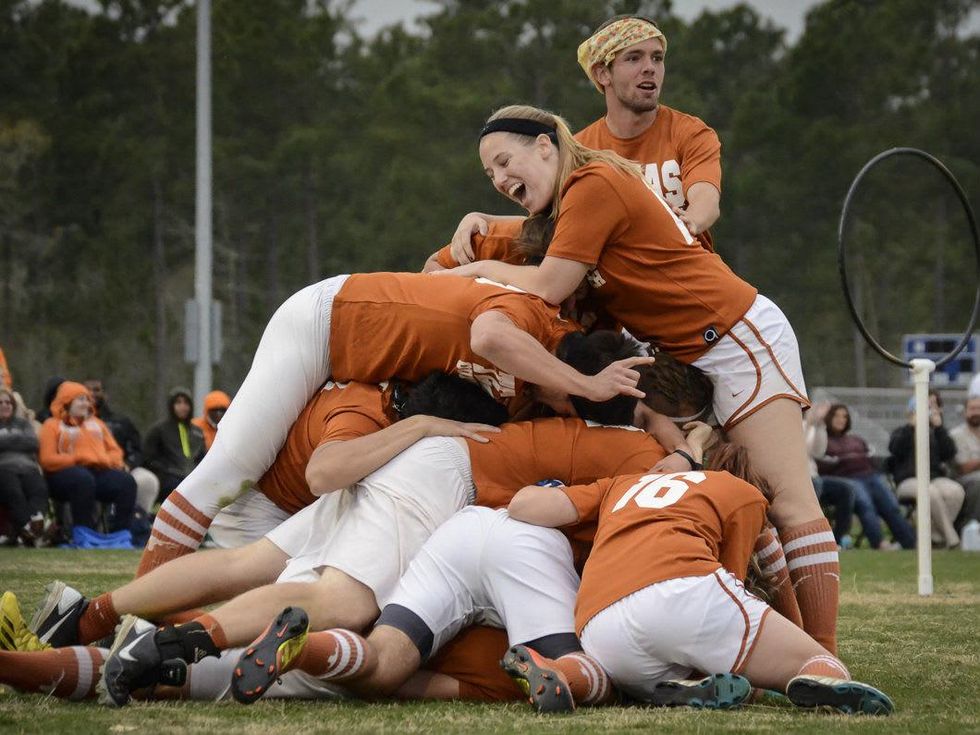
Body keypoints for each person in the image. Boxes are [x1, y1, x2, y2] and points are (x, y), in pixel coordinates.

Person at [435, 105, 838, 653]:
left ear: (547, 146)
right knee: (750, 491)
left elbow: (550, 283)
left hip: (736, 336)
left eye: (506, 162)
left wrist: (474, 270)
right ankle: (801, 650)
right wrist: (479, 219)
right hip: (694, 353)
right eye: (491, 176)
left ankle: (824, 656)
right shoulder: (577, 193)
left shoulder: (593, 181)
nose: (503, 180)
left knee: (790, 500)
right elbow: (540, 238)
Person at [135, 270, 658, 576]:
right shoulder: (533, 317)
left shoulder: (534, 392)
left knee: (283, 589)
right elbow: (487, 337)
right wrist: (586, 386)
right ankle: (136, 616)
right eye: (565, 402)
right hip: (326, 321)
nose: (553, 410)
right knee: (228, 472)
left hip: (365, 385)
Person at [505, 443, 894, 716]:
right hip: (683, 589)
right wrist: (809, 642)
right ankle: (818, 676)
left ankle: (566, 674)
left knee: (612, 684)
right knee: (811, 661)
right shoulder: (742, 493)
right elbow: (738, 578)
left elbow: (529, 507)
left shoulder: (621, 484)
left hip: (596, 618)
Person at [447, 15, 720, 263]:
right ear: (602, 73)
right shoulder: (580, 149)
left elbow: (706, 202)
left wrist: (689, 222)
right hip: (620, 303)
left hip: (692, 286)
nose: (650, 68)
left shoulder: (690, 132)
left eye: (657, 58)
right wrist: (481, 220)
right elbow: (548, 227)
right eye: (634, 58)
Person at [37, 382, 137, 538]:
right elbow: (47, 460)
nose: (86, 403)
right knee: (83, 479)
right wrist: (78, 458)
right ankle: (83, 533)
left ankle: (121, 534)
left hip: (96, 471)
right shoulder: (52, 425)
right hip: (62, 476)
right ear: (67, 401)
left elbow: (115, 452)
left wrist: (105, 460)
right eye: (80, 399)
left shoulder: (97, 424)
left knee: (126, 482)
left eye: (87, 399)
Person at [819, 403, 914, 550]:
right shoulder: (822, 440)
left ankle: (911, 543)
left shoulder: (856, 439)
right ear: (829, 418)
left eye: (844, 416)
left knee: (890, 505)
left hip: (869, 476)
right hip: (846, 479)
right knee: (866, 504)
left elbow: (871, 460)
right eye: (836, 416)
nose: (841, 419)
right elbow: (823, 465)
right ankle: (880, 543)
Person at [889, 393, 964, 549]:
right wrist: (911, 428)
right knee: (929, 492)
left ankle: (934, 537)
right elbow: (896, 450)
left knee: (956, 491)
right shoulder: (901, 431)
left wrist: (939, 428)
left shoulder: (936, 432)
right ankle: (952, 539)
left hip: (934, 478)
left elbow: (949, 453)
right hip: (908, 480)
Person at [84, 379, 159, 514]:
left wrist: (128, 465)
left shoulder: (121, 422)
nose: (92, 394)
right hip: (90, 469)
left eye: (96, 390)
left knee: (147, 480)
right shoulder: (75, 421)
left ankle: (137, 524)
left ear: (105, 394)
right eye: (87, 390)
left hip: (121, 467)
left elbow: (137, 450)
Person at [0, 386, 48, 546]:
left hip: (28, 467)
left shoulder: (23, 423)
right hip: (4, 468)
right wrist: (17, 440)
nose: (5, 405)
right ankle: (34, 530)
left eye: (8, 402)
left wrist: (6, 441)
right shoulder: (21, 429)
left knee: (39, 490)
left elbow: (33, 443)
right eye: (0, 402)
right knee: (14, 493)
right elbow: (25, 442)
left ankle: (28, 531)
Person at [143, 387, 206, 503]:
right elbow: (148, 458)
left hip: (193, 478)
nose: (183, 407)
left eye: (186, 403)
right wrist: (165, 470)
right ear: (171, 405)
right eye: (178, 402)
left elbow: (203, 459)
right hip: (168, 479)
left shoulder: (197, 432)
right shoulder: (159, 430)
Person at [805, 402, 855, 547]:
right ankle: (812, 537)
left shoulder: (815, 426)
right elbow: (803, 452)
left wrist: (819, 425)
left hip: (814, 477)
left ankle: (836, 540)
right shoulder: (796, 426)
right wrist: (809, 425)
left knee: (846, 488)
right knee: (816, 484)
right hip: (799, 480)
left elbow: (818, 452)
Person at [949, 395, 980, 532]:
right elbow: (962, 468)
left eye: (979, 408)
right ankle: (969, 527)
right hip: (962, 480)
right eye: (972, 408)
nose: (976, 412)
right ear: (965, 411)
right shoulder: (956, 435)